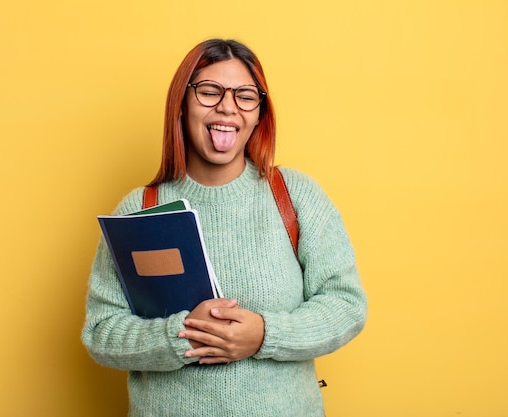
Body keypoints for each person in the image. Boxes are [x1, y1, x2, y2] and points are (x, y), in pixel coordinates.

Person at [82, 38, 367, 417]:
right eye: (210, 91)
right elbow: (102, 333)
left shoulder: (295, 196)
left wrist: (264, 334)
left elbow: (346, 305)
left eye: (245, 95)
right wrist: (182, 334)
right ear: (181, 105)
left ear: (259, 112)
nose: (228, 107)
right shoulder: (141, 208)